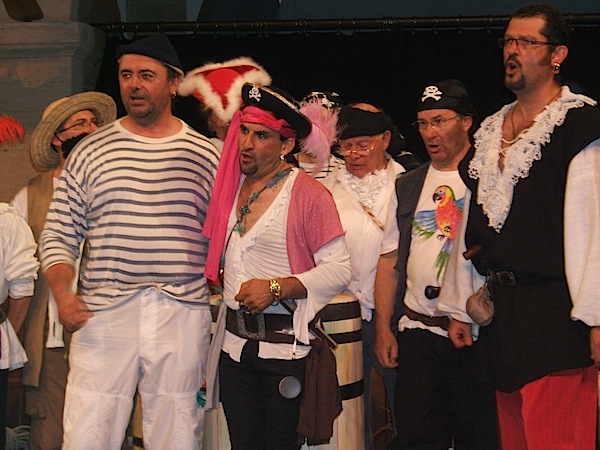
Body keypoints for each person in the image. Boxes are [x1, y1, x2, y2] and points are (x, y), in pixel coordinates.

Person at [39, 34, 220, 449]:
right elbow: (60, 231)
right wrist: (63, 294)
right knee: (87, 432)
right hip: (103, 312)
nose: (134, 85)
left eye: (146, 75)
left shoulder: (203, 154)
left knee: (177, 433)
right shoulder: (90, 151)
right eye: (126, 75)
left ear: (174, 83)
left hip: (181, 310)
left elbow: (226, 235)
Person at [436, 5, 600, 449]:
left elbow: (592, 228)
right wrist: (459, 306)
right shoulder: (491, 131)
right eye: (509, 41)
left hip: (558, 317)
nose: (513, 51)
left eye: (527, 42)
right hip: (503, 319)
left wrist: (596, 319)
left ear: (557, 55)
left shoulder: (579, 124)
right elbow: (473, 232)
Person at [202, 82, 351, 450]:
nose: (247, 144)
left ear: (286, 145)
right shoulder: (229, 186)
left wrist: (275, 288)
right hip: (235, 350)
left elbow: (339, 269)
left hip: (284, 353)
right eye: (244, 131)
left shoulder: (309, 195)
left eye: (262, 136)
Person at [373, 80, 499, 449]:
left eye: (440, 121)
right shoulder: (409, 184)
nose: (430, 133)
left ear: (466, 122)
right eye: (423, 123)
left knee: (480, 438)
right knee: (417, 438)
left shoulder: (490, 179)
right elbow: (390, 260)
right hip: (418, 334)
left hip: (475, 337)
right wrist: (384, 327)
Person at [9, 91, 116, 450]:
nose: (92, 129)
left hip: (107, 333)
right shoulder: (30, 197)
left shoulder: (116, 188)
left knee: (104, 429)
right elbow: (16, 275)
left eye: (94, 122)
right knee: (49, 435)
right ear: (58, 138)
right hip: (52, 341)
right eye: (80, 123)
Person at [321, 103, 405, 450]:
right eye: (346, 146)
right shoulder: (328, 186)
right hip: (341, 313)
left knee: (405, 401)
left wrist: (386, 322)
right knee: (350, 409)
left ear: (384, 139)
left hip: (396, 312)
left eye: (363, 145)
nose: (353, 154)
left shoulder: (407, 183)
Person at [178, 56, 272, 151]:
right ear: (209, 120)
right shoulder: (205, 150)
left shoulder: (257, 150)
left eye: (237, 116)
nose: (229, 126)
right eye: (219, 117)